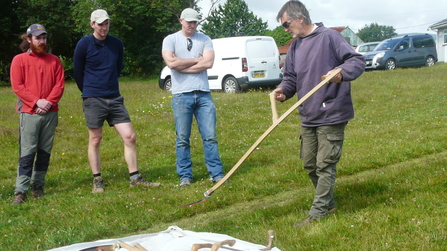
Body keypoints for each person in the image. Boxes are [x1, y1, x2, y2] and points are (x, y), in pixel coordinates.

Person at [273, 0, 365, 226]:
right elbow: (291, 78)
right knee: (309, 164)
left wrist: (340, 73)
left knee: (325, 164)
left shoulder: (329, 37)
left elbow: (356, 60)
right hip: (308, 114)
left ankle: (318, 213)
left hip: (332, 112)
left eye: (286, 24)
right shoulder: (295, 46)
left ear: (300, 19)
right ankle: (329, 202)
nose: (285, 29)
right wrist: (284, 91)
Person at [74, 9, 160, 193]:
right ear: (92, 24)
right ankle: (97, 179)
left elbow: (118, 66)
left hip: (114, 97)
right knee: (95, 139)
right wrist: (89, 91)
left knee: (130, 136)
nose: (104, 27)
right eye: (100, 24)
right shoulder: (84, 44)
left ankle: (135, 177)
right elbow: (78, 72)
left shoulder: (117, 44)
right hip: (93, 98)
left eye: (106, 23)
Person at [162, 8, 225, 187]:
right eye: (189, 21)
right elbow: (171, 63)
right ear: (181, 20)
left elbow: (209, 62)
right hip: (181, 95)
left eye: (195, 22)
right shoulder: (170, 39)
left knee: (210, 136)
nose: (192, 25)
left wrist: (182, 64)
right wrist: (196, 60)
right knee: (182, 138)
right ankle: (185, 176)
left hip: (204, 94)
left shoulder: (204, 39)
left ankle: (217, 174)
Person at [10, 24, 65, 205]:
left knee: (44, 152)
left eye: (44, 38)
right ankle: (21, 190)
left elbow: (59, 85)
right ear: (29, 39)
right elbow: (18, 86)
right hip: (29, 113)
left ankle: (38, 186)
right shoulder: (19, 60)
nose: (42, 41)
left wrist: (48, 102)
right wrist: (36, 102)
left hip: (50, 113)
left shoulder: (54, 60)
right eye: (38, 38)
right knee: (27, 152)